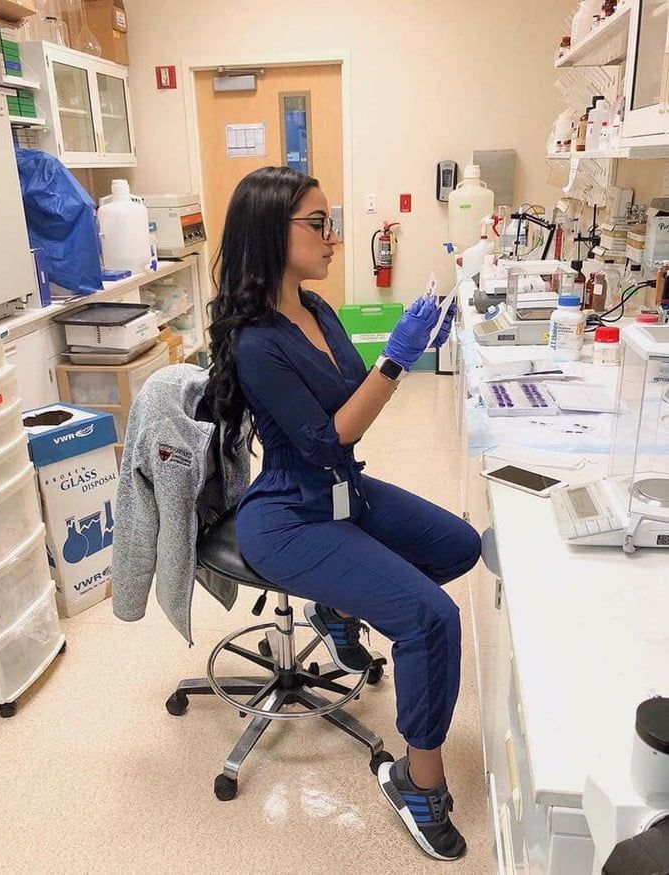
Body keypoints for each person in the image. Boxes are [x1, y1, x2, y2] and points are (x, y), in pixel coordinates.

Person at [204, 166, 481, 861]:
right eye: (318, 223)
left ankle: (335, 607)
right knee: (429, 617)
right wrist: (397, 360)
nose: (333, 237)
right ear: (274, 231)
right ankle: (417, 784)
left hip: (341, 492)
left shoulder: (318, 307)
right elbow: (332, 433)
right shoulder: (257, 341)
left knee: (458, 545)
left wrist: (402, 346)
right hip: (291, 515)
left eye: (330, 222)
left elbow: (355, 392)